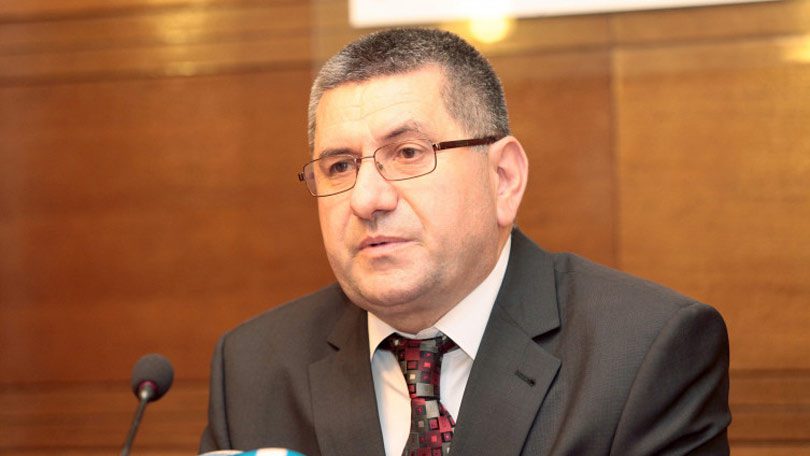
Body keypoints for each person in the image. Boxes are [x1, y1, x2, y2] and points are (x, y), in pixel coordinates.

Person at [199, 28, 730, 455]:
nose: (367, 199)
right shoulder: (253, 366)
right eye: (339, 166)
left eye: (408, 153)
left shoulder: (644, 352)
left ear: (503, 178)